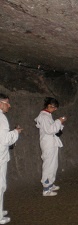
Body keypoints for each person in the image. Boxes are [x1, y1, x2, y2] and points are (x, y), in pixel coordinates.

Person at [35, 97, 67, 197]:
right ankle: (46, 189)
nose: (55, 109)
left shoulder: (47, 115)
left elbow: (53, 129)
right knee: (48, 165)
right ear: (49, 106)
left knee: (53, 165)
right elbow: (49, 130)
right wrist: (59, 121)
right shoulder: (44, 116)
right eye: (54, 107)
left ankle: (50, 184)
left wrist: (59, 123)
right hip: (48, 144)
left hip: (52, 143)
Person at [0, 93, 22, 224]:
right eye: (7, 103)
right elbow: (5, 139)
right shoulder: (1, 118)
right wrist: (16, 132)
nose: (9, 105)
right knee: (0, 186)